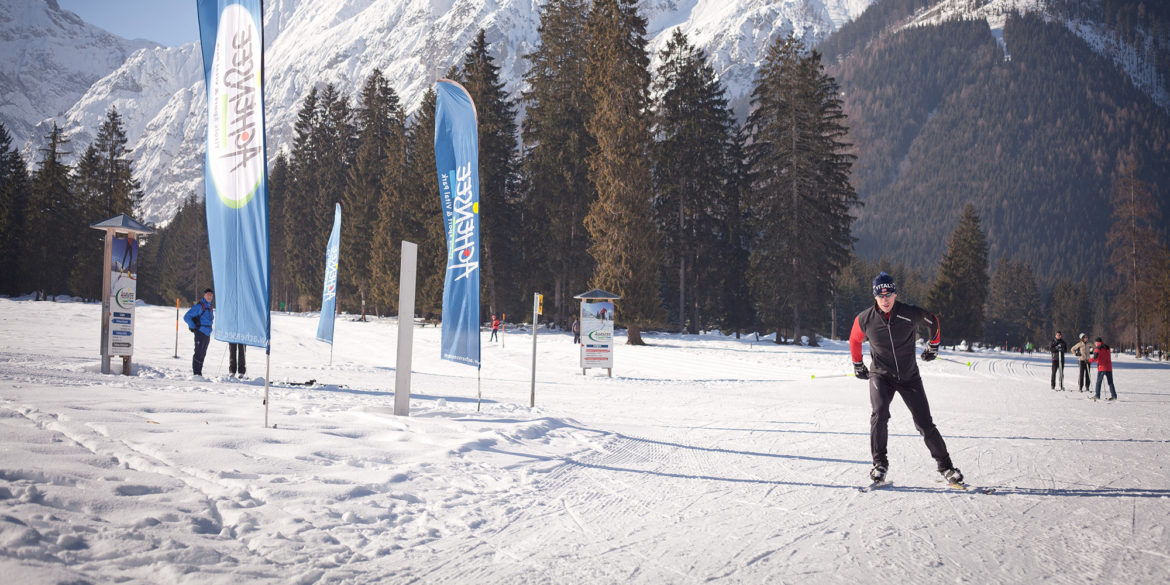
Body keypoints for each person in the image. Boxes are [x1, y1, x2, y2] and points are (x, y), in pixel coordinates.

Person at [850, 272, 963, 485]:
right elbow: (854, 339)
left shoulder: (909, 313)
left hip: (909, 376)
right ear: (875, 296)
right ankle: (879, 464)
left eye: (889, 294)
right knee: (880, 412)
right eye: (880, 295)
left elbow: (934, 322)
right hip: (881, 376)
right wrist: (857, 363)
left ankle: (946, 467)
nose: (885, 300)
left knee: (924, 423)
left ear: (895, 294)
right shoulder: (865, 319)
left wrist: (934, 345)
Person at [183, 288, 214, 376]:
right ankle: (196, 373)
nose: (209, 297)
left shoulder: (210, 306)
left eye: (211, 295)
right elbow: (187, 317)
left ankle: (199, 373)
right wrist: (193, 327)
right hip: (200, 332)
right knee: (198, 353)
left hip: (207, 333)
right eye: (208, 295)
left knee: (203, 353)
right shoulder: (200, 306)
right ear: (204, 295)